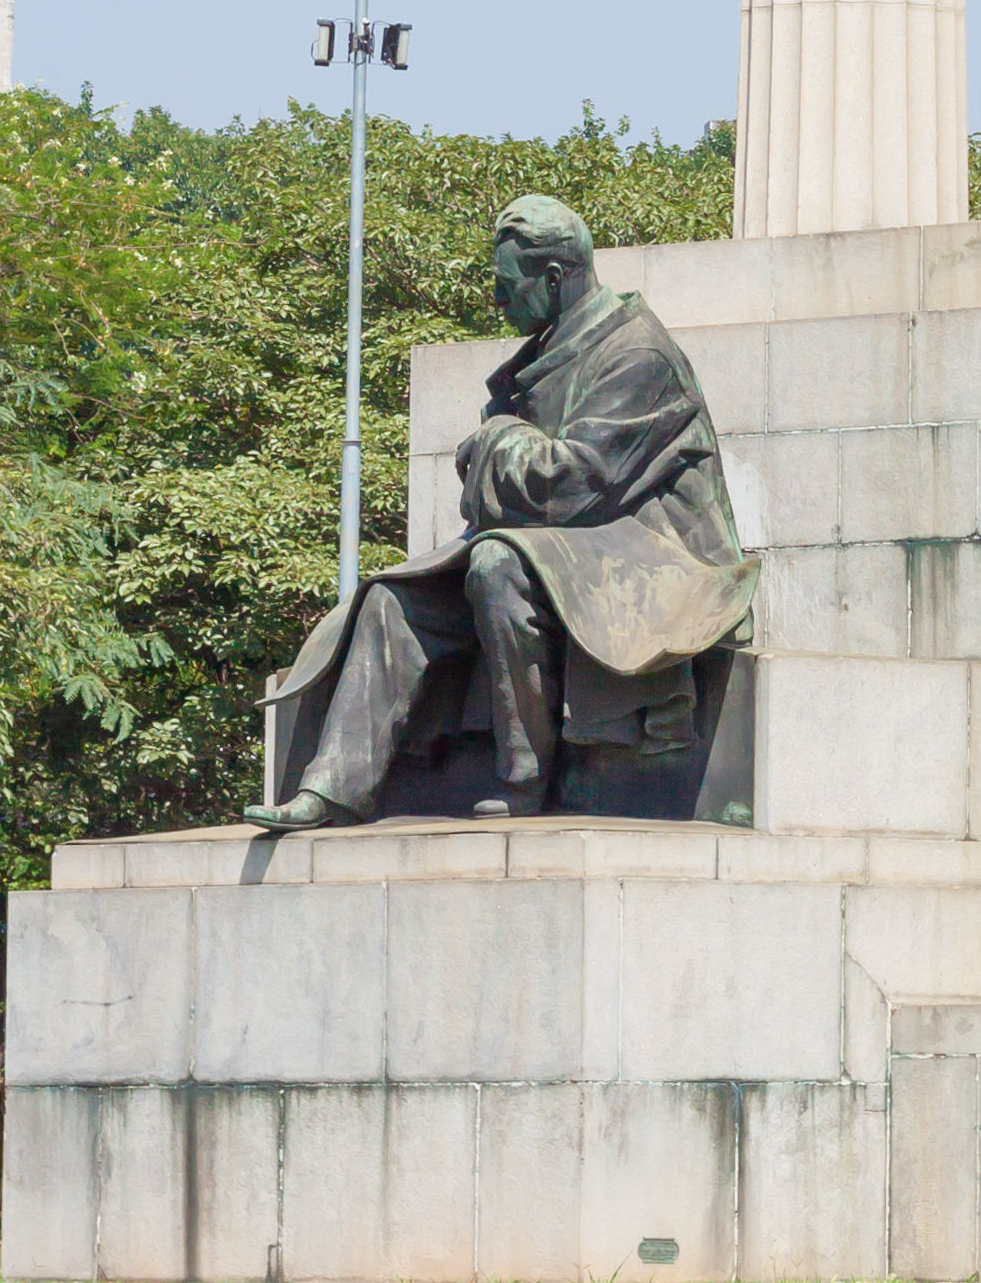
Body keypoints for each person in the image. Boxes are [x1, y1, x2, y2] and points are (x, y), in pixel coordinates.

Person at [247, 194, 756, 830]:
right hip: (564, 550)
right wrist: (501, 446)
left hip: (649, 552)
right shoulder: (542, 356)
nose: (496, 300)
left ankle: (525, 775)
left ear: (551, 278)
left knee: (495, 564)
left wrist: (494, 440)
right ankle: (333, 789)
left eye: (504, 284)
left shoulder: (637, 356)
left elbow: (571, 487)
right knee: (392, 599)